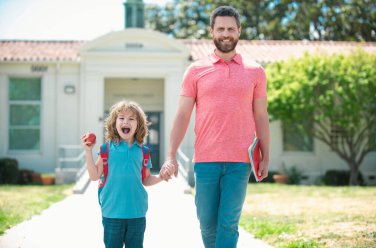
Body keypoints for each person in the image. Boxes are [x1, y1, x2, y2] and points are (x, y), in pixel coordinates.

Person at [160, 5, 270, 248]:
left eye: (231, 28)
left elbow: (261, 116)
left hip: (240, 161)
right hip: (206, 160)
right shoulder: (195, 71)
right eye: (220, 28)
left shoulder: (255, 72)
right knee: (207, 223)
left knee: (229, 223)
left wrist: (265, 155)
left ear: (239, 31)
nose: (226, 33)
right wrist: (170, 155)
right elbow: (182, 115)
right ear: (211, 31)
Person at [81, 100, 163, 248]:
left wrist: (161, 177)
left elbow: (146, 179)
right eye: (121, 118)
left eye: (131, 119)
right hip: (112, 213)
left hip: (137, 213)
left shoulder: (143, 152)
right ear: (114, 123)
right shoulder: (106, 150)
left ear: (138, 125)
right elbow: (94, 176)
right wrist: (88, 152)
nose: (126, 121)